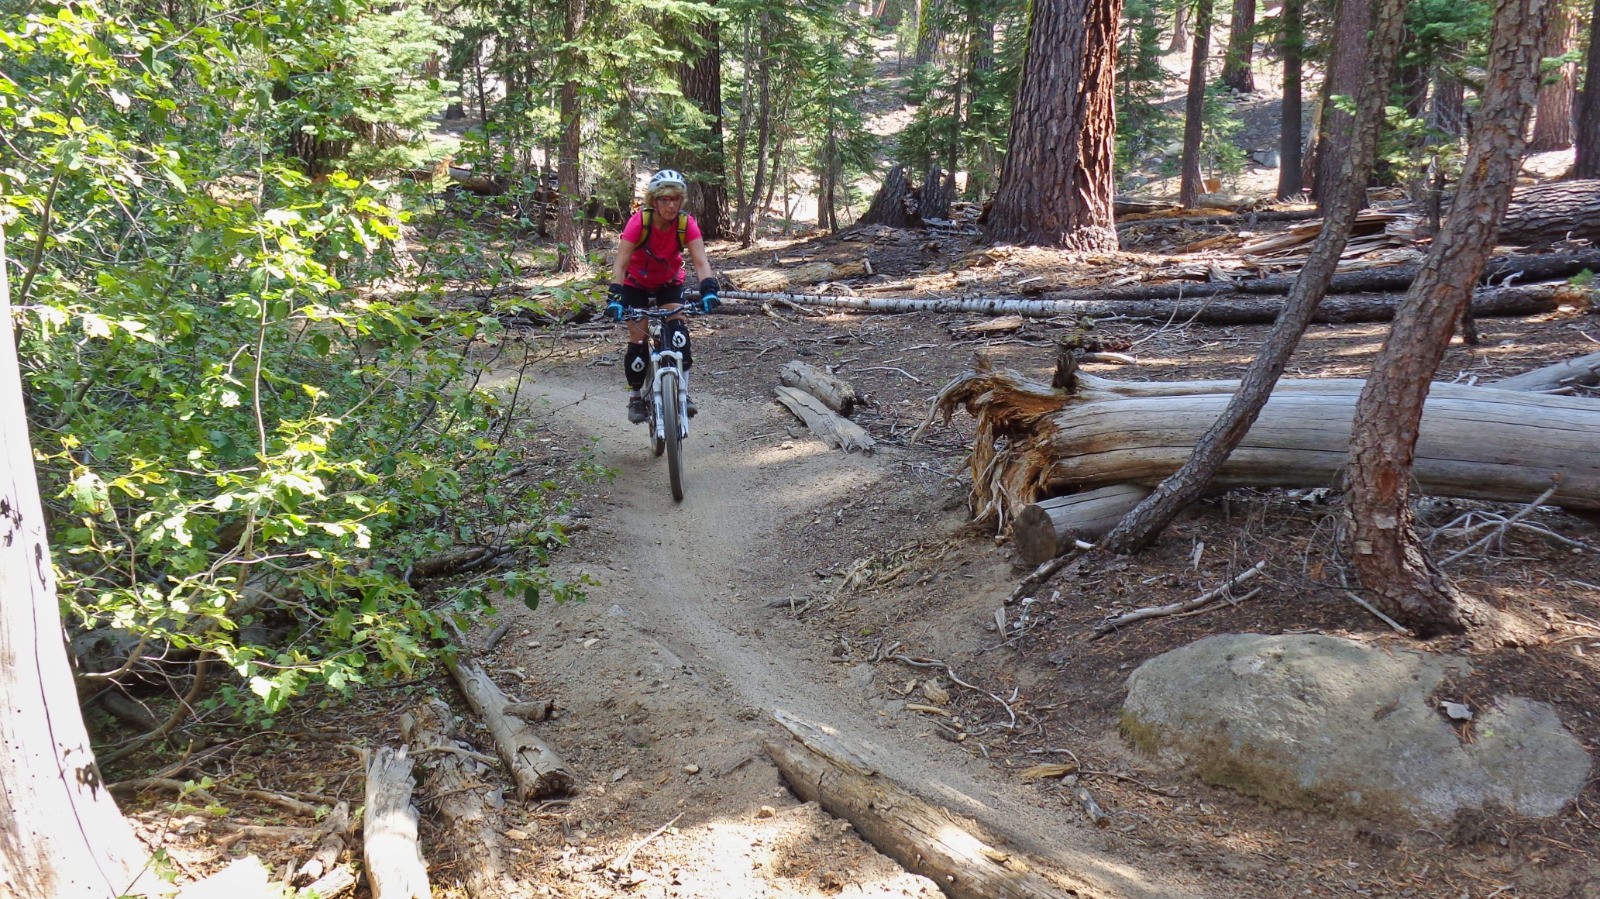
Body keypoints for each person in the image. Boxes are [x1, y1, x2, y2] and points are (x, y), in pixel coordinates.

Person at [604, 169, 719, 423]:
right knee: (638, 340)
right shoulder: (639, 222)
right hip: (635, 284)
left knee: (679, 333)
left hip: (669, 282)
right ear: (654, 201)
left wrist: (709, 290)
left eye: (676, 199)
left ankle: (683, 393)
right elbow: (620, 264)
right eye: (665, 199)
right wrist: (615, 296)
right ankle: (636, 397)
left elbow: (701, 262)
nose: (671, 205)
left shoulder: (685, 224)